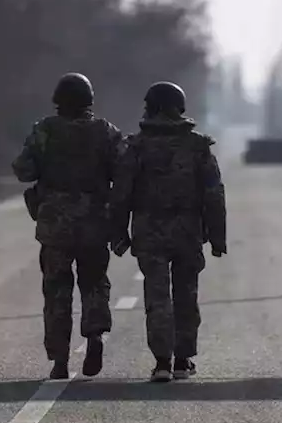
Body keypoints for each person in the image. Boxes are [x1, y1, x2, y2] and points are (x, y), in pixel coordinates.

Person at [110, 81, 227, 383]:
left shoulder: (136, 146)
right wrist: (217, 236)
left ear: (151, 107)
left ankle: (162, 362)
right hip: (188, 231)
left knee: (157, 296)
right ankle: (182, 360)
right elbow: (214, 193)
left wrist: (118, 233)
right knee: (186, 294)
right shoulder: (198, 146)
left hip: (149, 230)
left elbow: (122, 192)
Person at [13, 72, 125, 380]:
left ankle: (60, 360)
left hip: (55, 225)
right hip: (94, 224)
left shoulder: (44, 131)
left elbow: (23, 171)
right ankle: (95, 337)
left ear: (58, 101)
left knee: (56, 291)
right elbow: (125, 171)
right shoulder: (106, 132)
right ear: (89, 100)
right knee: (94, 283)